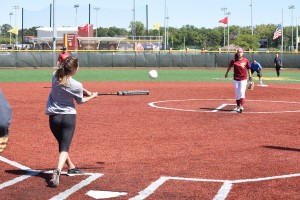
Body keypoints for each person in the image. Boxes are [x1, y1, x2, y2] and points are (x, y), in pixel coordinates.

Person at [45, 56, 98, 187]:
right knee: (64, 147)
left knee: (62, 144)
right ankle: (57, 171)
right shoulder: (77, 85)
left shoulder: (55, 76)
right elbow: (80, 101)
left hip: (53, 117)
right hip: (68, 117)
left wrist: (85, 91)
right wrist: (92, 96)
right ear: (74, 69)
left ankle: (71, 167)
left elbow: (71, 86)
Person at [225, 48, 252, 113]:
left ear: (243, 53)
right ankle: (237, 106)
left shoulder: (245, 60)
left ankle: (241, 106)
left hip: (243, 79)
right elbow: (229, 67)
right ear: (237, 53)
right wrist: (226, 73)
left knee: (242, 92)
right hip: (236, 79)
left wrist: (250, 77)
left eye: (241, 52)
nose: (239, 53)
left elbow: (248, 69)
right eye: (238, 52)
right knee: (237, 93)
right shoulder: (234, 60)